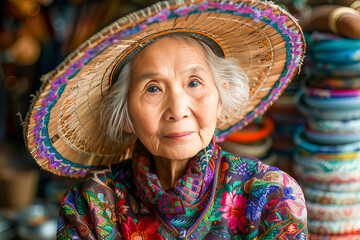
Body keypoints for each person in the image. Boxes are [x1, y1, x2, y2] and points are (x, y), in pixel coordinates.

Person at [24, 0, 308, 239]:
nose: (177, 108)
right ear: (126, 116)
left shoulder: (271, 196)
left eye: (194, 83)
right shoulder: (89, 206)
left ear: (220, 99)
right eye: (153, 88)